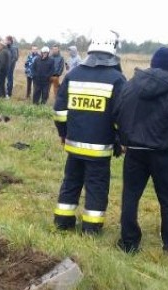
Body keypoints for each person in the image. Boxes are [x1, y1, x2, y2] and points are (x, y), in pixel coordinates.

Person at [113, 47, 168, 253]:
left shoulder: (130, 84)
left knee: (130, 197)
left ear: (151, 62)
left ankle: (129, 242)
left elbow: (117, 113)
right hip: (163, 152)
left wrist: (124, 137)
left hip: (134, 150)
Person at [51, 31, 126, 235]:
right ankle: (91, 228)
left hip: (73, 144)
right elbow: (122, 116)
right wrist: (120, 140)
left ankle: (62, 221)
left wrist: (63, 133)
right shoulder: (117, 79)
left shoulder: (73, 75)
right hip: (100, 149)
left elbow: (59, 111)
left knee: (71, 181)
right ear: (112, 52)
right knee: (97, 187)